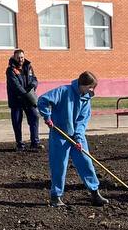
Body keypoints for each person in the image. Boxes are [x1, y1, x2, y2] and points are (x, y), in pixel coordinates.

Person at [37, 71, 109, 208]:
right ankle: (55, 197)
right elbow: (43, 100)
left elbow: (82, 121)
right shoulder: (64, 91)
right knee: (59, 166)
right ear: (82, 85)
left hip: (76, 137)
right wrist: (47, 116)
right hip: (59, 136)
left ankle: (95, 193)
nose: (92, 90)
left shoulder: (86, 99)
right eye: (90, 87)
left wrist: (79, 139)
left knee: (86, 162)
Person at [6, 50, 41, 151]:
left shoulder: (28, 66)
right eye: (18, 57)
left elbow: (34, 79)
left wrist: (33, 85)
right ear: (14, 58)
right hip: (17, 100)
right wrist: (25, 94)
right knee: (17, 122)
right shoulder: (10, 70)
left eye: (22, 57)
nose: (20, 59)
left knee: (34, 117)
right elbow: (15, 85)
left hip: (28, 99)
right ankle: (20, 144)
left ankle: (35, 143)